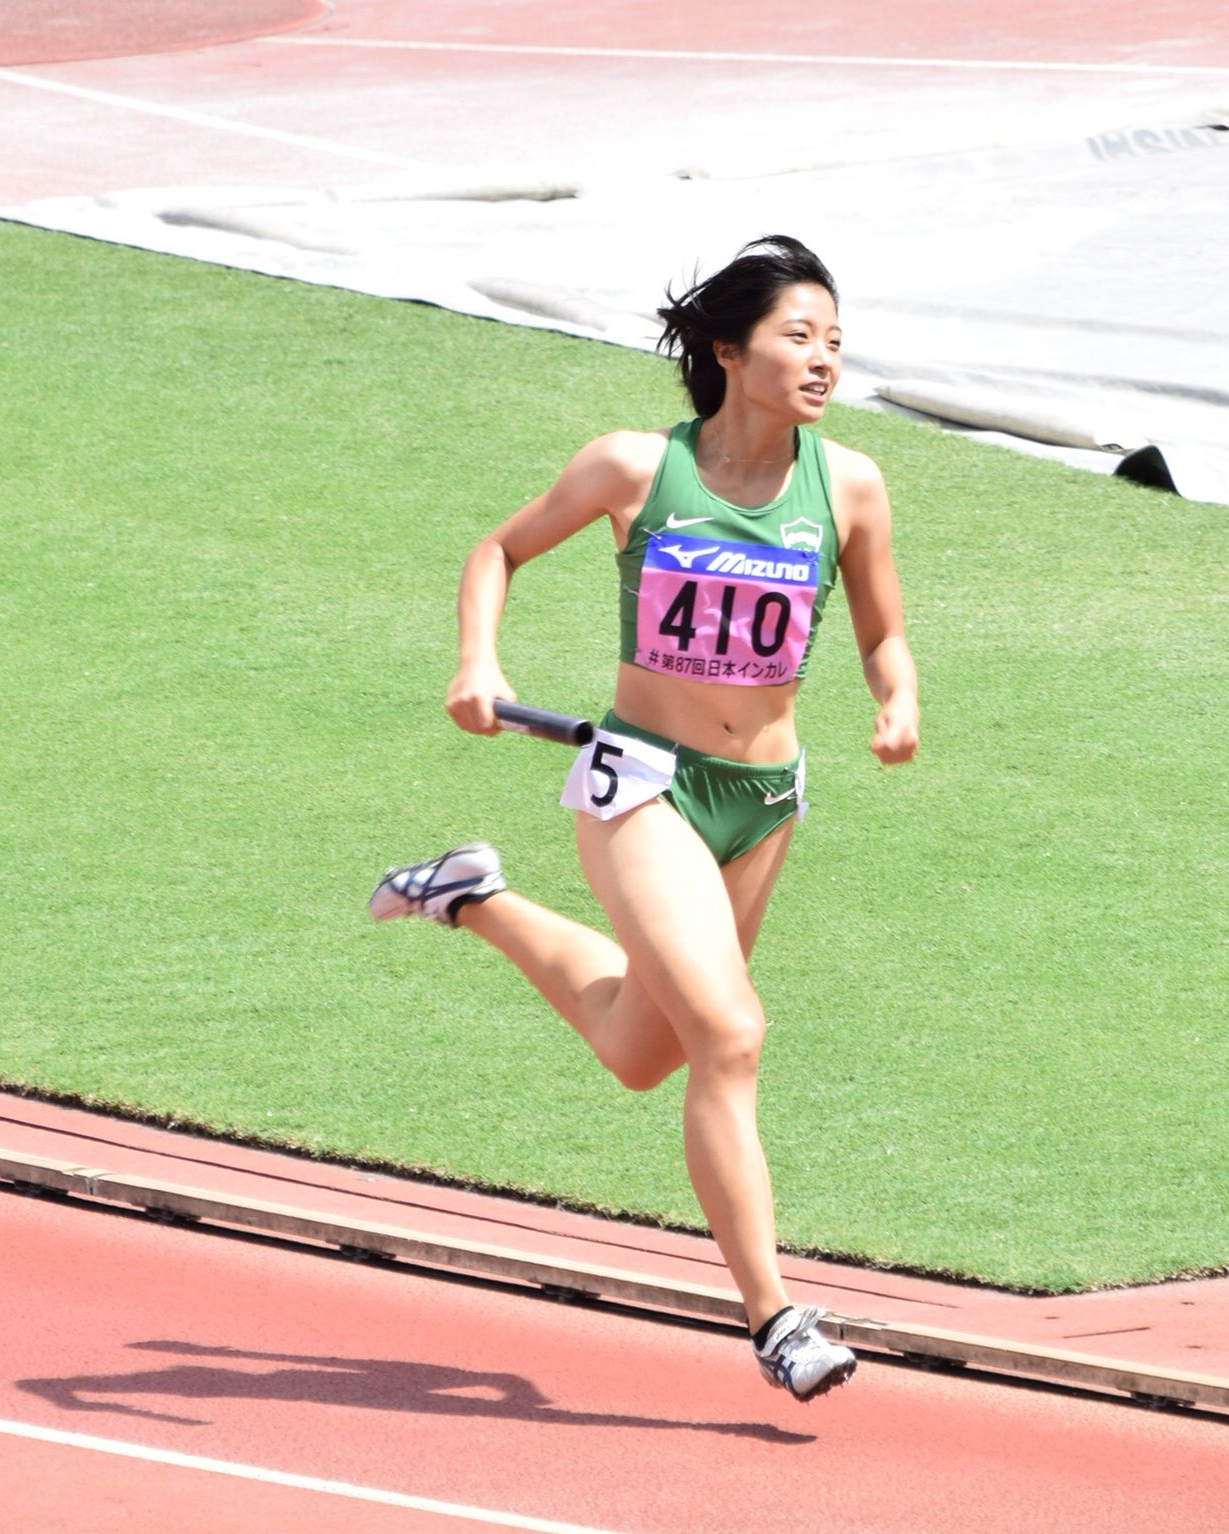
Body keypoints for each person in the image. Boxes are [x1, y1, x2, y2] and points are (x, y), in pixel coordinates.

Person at [370, 235, 918, 1402]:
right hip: (643, 785)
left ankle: (470, 894)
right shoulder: (633, 468)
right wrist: (477, 661)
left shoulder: (849, 485)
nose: (823, 359)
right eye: (797, 336)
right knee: (729, 1034)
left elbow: (881, 630)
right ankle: (775, 1318)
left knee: (639, 1049)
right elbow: (498, 549)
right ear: (727, 351)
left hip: (762, 802)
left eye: (834, 340)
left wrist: (895, 697)